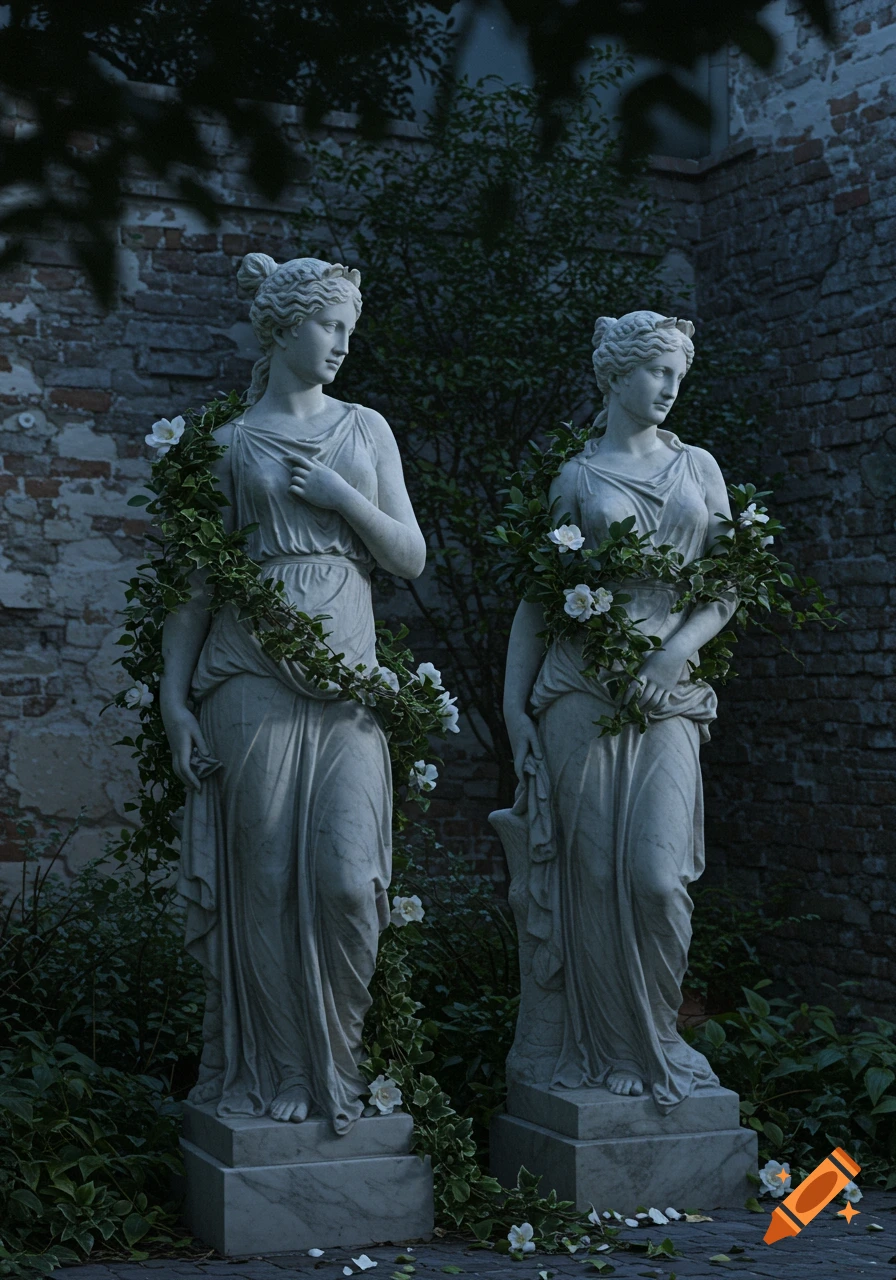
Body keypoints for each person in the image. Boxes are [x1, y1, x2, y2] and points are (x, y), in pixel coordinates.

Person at [159, 254, 426, 1133]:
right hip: (247, 677)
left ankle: (337, 1071)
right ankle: (275, 1076)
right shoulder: (229, 445)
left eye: (351, 329)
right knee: (264, 882)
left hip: (346, 673)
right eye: (329, 326)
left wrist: (343, 494)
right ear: (281, 329)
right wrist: (174, 702)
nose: (343, 345)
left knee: (350, 884)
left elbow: (409, 557)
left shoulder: (364, 430)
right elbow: (194, 587)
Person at [501, 311, 735, 1112]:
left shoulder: (699, 467)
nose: (670, 387)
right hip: (579, 693)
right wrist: (513, 709)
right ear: (615, 374)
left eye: (678, 373)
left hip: (666, 695)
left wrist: (673, 651)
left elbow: (727, 583)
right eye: (656, 371)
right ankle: (606, 1052)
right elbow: (538, 599)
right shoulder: (576, 478)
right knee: (593, 878)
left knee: (656, 879)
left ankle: (658, 1036)